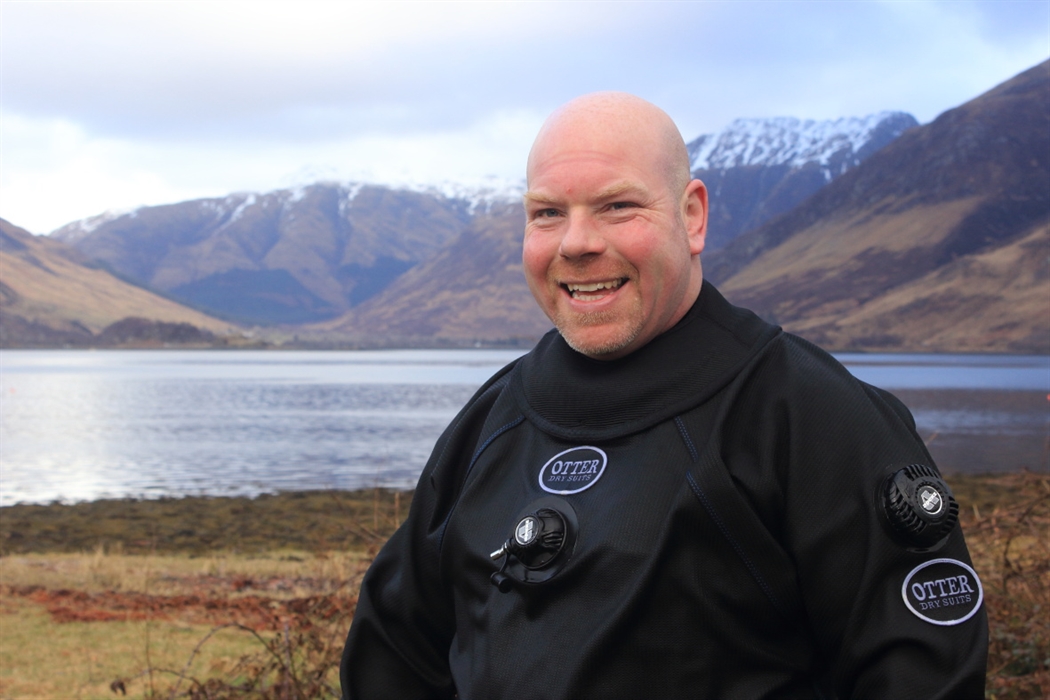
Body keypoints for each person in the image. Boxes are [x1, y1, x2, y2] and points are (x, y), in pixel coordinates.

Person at [340, 93, 988, 699]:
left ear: (692, 216)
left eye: (617, 206)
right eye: (548, 213)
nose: (577, 243)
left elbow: (921, 673)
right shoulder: (491, 420)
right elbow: (394, 653)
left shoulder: (813, 417)